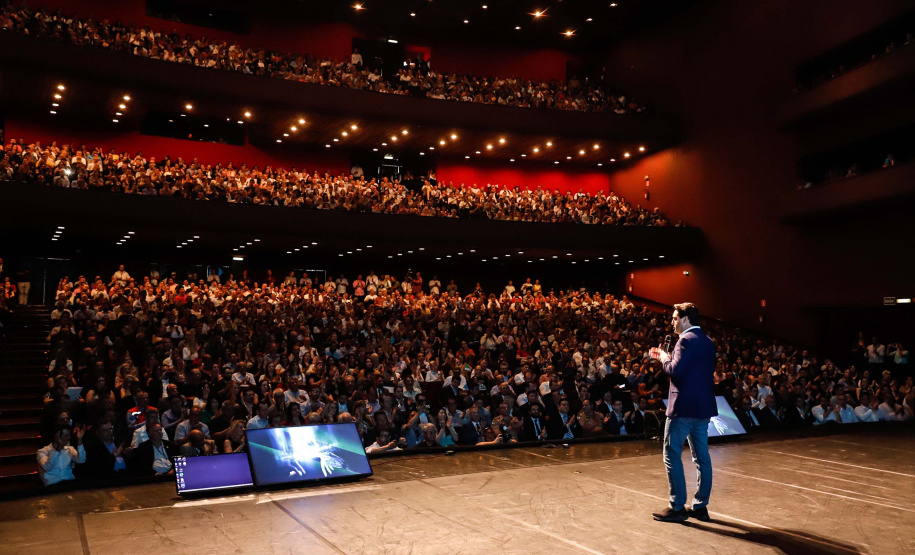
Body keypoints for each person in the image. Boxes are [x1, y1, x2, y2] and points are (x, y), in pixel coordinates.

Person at [649, 302, 716, 522]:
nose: (672, 322)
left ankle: (677, 506)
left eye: (675, 318)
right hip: (702, 407)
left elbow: (675, 370)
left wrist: (663, 357)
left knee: (671, 453)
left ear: (685, 319)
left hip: (683, 407)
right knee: (702, 457)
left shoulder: (685, 340)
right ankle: (700, 506)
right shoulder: (707, 342)